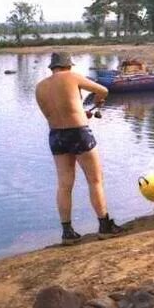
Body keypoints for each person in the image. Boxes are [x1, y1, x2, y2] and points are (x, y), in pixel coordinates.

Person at [35, 51, 125, 245]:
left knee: (64, 185)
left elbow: (54, 114)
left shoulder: (40, 87)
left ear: (52, 67)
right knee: (95, 180)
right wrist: (98, 101)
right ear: (68, 65)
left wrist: (81, 114)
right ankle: (105, 226)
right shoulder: (72, 76)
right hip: (78, 133)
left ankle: (67, 232)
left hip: (56, 136)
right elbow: (103, 90)